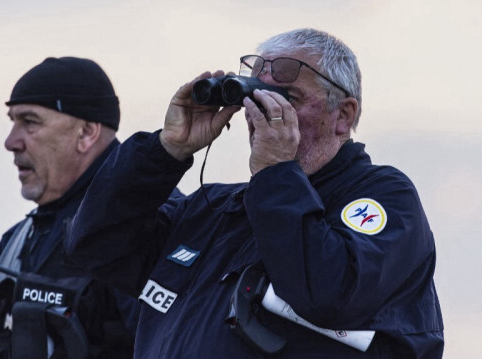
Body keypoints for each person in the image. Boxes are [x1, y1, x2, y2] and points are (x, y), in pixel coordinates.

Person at [66, 28, 444, 358]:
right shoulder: (214, 211)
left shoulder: (385, 198)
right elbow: (96, 247)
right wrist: (167, 149)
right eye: (254, 96)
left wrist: (276, 172)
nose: (262, 110)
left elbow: (326, 293)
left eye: (287, 98)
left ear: (343, 115)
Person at [0, 57, 139, 359]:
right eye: (12, 122)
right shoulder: (18, 243)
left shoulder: (146, 223)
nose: (11, 142)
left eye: (30, 122)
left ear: (87, 133)